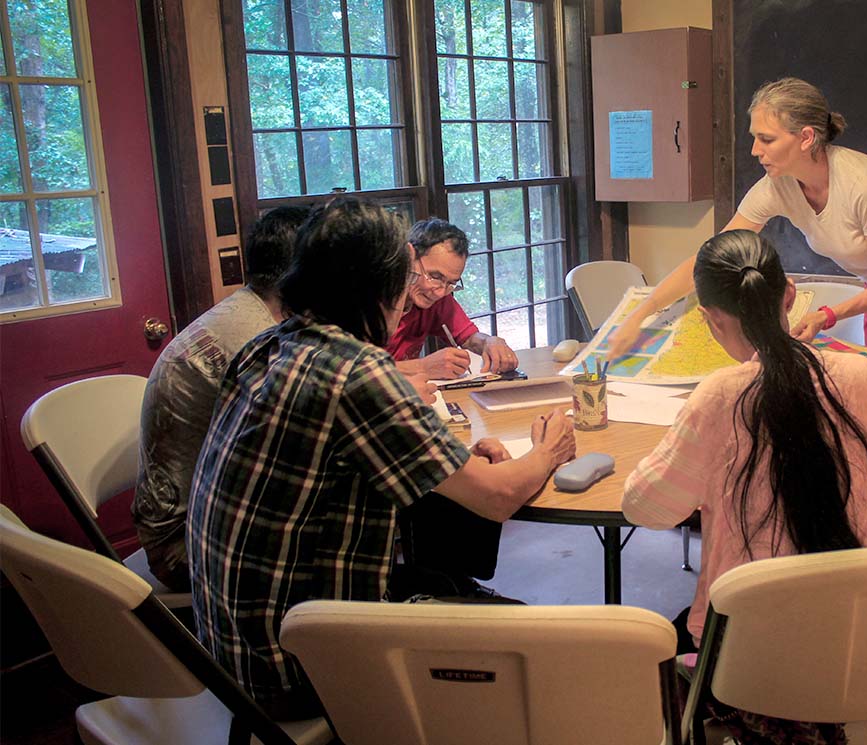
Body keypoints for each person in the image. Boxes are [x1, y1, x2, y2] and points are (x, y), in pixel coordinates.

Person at [188, 197, 576, 720]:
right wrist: (548, 452)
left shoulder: (266, 345)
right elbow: (499, 496)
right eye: (405, 279)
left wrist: (458, 461)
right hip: (298, 665)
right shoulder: (358, 371)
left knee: (451, 565)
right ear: (377, 287)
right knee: (539, 645)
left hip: (227, 648)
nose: (408, 298)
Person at [623, 230, 867, 745]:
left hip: (755, 658)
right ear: (790, 294)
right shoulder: (862, 375)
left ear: (709, 318)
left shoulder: (721, 395)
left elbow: (645, 507)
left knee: (665, 639)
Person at [608, 77, 867, 377]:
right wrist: (640, 315)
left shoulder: (864, 184)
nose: (754, 150)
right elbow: (709, 260)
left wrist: (826, 315)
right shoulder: (775, 187)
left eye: (767, 139)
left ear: (806, 138)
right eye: (754, 137)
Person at [134, 206, 309, 592]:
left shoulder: (247, 309)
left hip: (183, 519)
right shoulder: (258, 341)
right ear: (300, 273)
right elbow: (297, 448)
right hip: (183, 548)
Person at [388, 218, 519, 377]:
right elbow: (357, 370)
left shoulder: (437, 297)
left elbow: (469, 338)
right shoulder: (371, 300)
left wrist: (488, 342)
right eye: (435, 276)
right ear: (409, 258)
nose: (440, 292)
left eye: (451, 283)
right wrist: (423, 367)